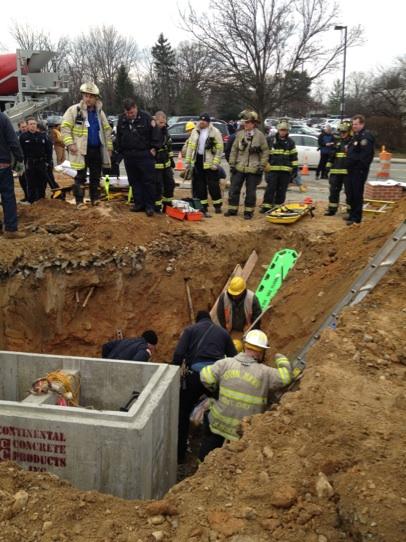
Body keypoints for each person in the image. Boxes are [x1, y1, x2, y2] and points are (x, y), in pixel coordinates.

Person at [198, 329, 293, 460]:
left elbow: (205, 376)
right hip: (243, 432)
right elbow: (286, 377)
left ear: (245, 346)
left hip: (219, 424)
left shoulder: (225, 363)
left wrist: (215, 388)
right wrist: (281, 359)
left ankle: (199, 470)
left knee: (207, 447)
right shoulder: (266, 373)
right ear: (261, 352)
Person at [172, 310, 236, 463]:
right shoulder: (223, 333)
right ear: (210, 319)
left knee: (183, 413)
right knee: (221, 411)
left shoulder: (190, 330)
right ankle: (216, 452)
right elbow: (233, 357)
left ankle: (180, 456)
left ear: (197, 320)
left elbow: (178, 355)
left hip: (194, 377)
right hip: (215, 376)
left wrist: (174, 376)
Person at [61, 82, 112, 207]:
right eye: (86, 96)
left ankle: (95, 199)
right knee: (80, 177)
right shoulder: (74, 111)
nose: (88, 99)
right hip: (80, 150)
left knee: (96, 176)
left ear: (96, 98)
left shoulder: (100, 113)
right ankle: (79, 202)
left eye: (91, 96)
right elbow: (65, 128)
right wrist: (70, 144)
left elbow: (107, 130)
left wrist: (109, 147)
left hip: (96, 149)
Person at [116, 98, 161, 217]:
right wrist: (120, 152)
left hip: (145, 154)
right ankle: (138, 203)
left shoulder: (146, 118)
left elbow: (156, 133)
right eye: (127, 113)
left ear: (135, 108)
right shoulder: (122, 119)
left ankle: (149, 206)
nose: (130, 115)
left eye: (131, 112)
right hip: (129, 155)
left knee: (148, 181)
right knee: (134, 181)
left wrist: (154, 148)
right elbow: (119, 136)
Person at [224, 110, 268, 219]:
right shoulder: (239, 134)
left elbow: (266, 152)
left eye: (247, 122)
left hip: (253, 169)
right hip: (239, 167)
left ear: (253, 123)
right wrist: (232, 164)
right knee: (234, 189)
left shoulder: (260, 136)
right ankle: (232, 209)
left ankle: (248, 212)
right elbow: (234, 150)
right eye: (244, 122)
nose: (245, 124)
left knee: (250, 192)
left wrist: (261, 166)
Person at [184, 113, 224, 217]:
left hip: (210, 162)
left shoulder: (215, 132)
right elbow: (190, 148)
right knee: (200, 186)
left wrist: (215, 163)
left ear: (208, 122)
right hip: (198, 161)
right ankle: (203, 206)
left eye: (204, 120)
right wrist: (187, 163)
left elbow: (219, 149)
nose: (202, 122)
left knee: (213, 185)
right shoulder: (195, 131)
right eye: (200, 120)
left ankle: (217, 205)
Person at [260, 120, 298, 212]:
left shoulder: (290, 142)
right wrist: (265, 164)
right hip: (272, 170)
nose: (283, 132)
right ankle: (266, 206)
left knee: (282, 190)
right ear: (278, 130)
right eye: (281, 130)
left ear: (287, 131)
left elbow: (294, 157)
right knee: (270, 189)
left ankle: (278, 207)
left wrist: (294, 170)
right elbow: (265, 153)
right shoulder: (271, 140)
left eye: (285, 130)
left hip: (285, 171)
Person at [346, 114, 375, 225]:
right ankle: (352, 215)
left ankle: (356, 218)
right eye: (353, 124)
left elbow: (365, 156)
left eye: (356, 124)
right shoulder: (356, 136)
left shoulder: (366, 137)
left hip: (358, 170)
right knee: (351, 193)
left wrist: (357, 167)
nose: (354, 126)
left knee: (357, 194)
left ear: (362, 124)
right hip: (351, 170)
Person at [0, 111, 25, 239]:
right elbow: (12, 141)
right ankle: (10, 229)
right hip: (2, 165)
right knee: (8, 196)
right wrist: (20, 158)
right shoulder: (2, 118)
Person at [19, 117, 52, 203]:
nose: (33, 126)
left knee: (42, 181)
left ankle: (41, 199)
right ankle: (31, 200)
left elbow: (48, 150)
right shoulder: (23, 137)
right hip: (30, 163)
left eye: (34, 124)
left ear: (36, 125)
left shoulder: (42, 136)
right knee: (30, 182)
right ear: (28, 126)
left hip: (41, 162)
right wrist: (21, 163)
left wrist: (48, 162)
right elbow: (20, 151)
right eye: (30, 124)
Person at [324, 121, 352, 216]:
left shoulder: (352, 142)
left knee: (349, 192)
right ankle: (332, 209)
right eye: (341, 132)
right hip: (335, 172)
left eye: (344, 132)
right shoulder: (337, 142)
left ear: (349, 132)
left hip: (348, 172)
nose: (342, 134)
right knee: (333, 191)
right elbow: (331, 156)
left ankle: (350, 211)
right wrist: (327, 167)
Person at [154, 111, 175, 212]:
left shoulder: (166, 132)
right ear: (156, 121)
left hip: (166, 163)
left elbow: (169, 147)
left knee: (170, 184)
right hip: (156, 165)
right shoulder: (152, 132)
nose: (163, 125)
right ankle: (157, 206)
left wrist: (171, 159)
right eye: (160, 123)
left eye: (164, 122)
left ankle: (167, 205)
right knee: (158, 186)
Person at [15, 120, 29, 202]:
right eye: (22, 127)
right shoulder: (16, 135)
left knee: (28, 179)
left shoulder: (29, 134)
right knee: (21, 178)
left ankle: (30, 196)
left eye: (25, 126)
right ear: (19, 127)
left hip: (28, 159)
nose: (24, 128)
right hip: (19, 161)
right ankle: (26, 195)